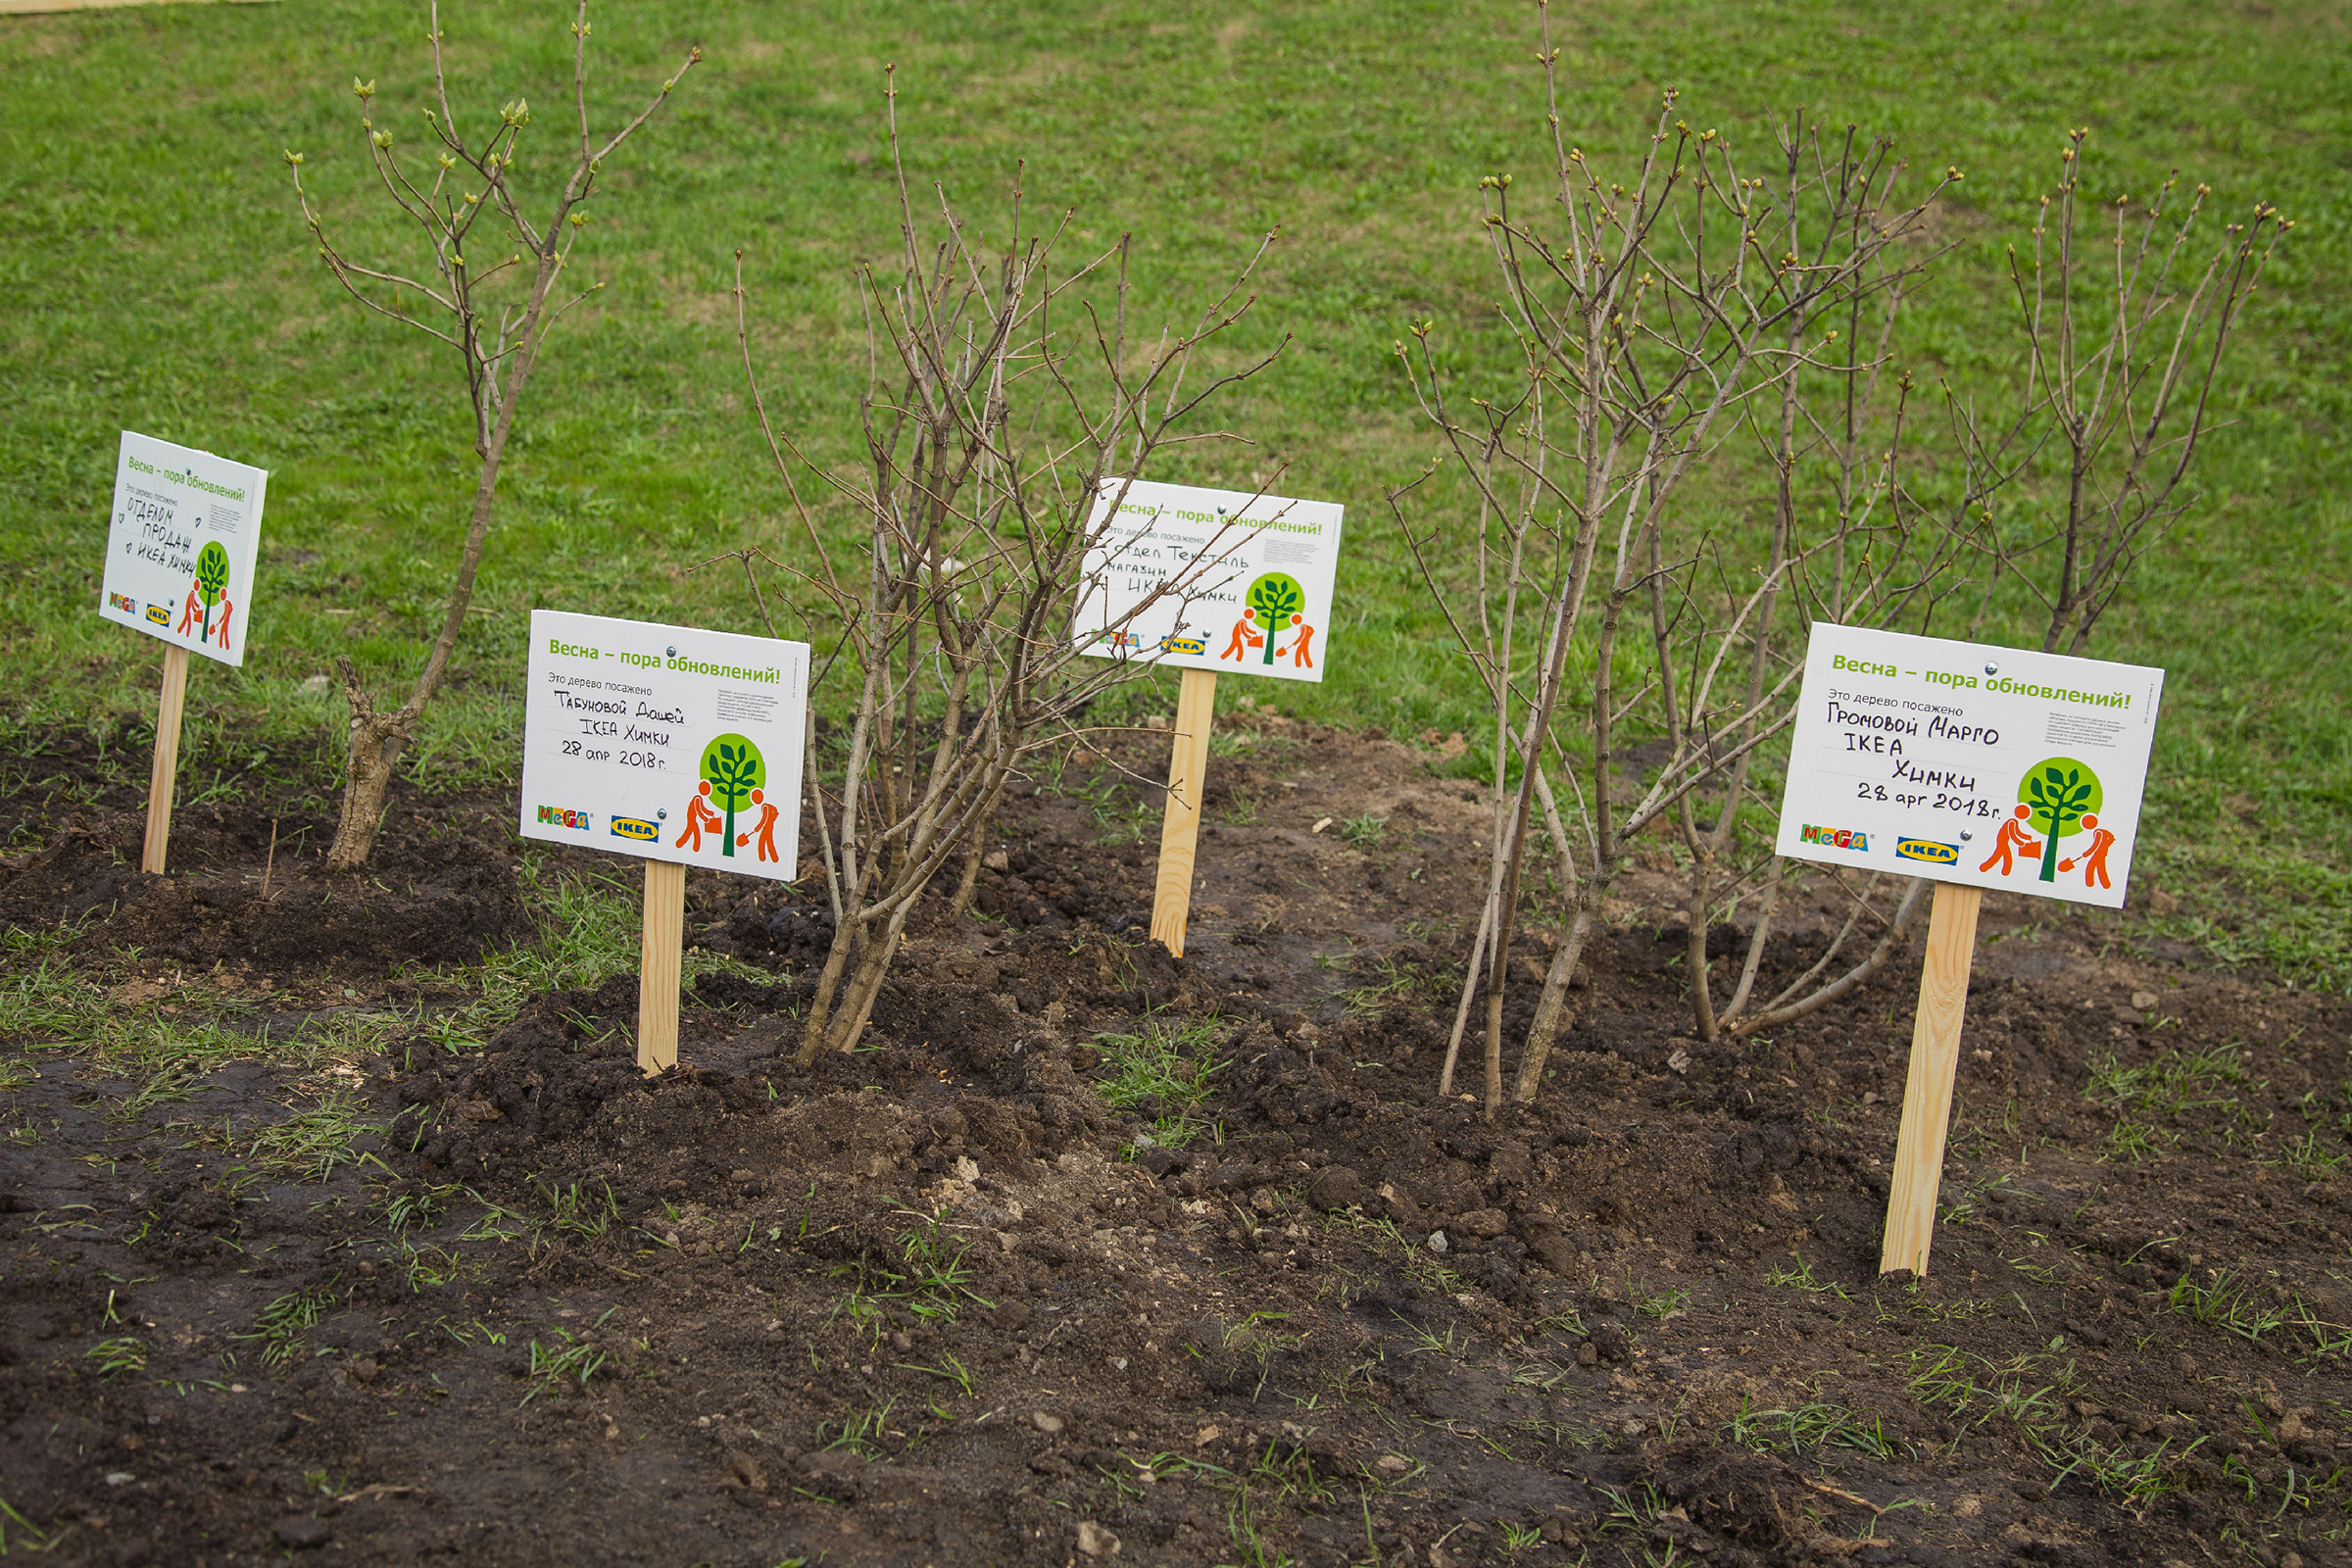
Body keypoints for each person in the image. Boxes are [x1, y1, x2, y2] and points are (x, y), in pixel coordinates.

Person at [1977, 804, 2044, 876]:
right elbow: (2012, 834)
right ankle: (2003, 871)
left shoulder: (2014, 822)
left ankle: (1986, 867)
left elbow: (2018, 832)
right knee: (2006, 856)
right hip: (2002, 841)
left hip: (2003, 841)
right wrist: (2020, 843)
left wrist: (2027, 837)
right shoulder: (2012, 822)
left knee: (1998, 855)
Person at [2059, 811, 2117, 890]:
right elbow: (2106, 841)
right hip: (2101, 853)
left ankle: (2091, 884)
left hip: (2099, 853)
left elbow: (2096, 845)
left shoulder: (2098, 832)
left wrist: (2086, 853)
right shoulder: (2101, 832)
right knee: (2100, 868)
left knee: (2091, 866)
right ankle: (2104, 885)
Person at [675, 780, 722, 853]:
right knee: (694, 831)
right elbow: (698, 810)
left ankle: (682, 844)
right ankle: (692, 847)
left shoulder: (699, 798)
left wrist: (710, 813)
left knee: (690, 830)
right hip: (691, 817)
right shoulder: (697, 798)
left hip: (692, 818)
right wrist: (705, 819)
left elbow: (703, 809)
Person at [738, 787, 781, 863]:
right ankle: (772, 858)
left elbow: (764, 818)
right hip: (768, 826)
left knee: (762, 842)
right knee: (768, 842)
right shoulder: (765, 806)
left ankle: (764, 858)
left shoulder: (765, 807)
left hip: (767, 827)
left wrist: (758, 828)